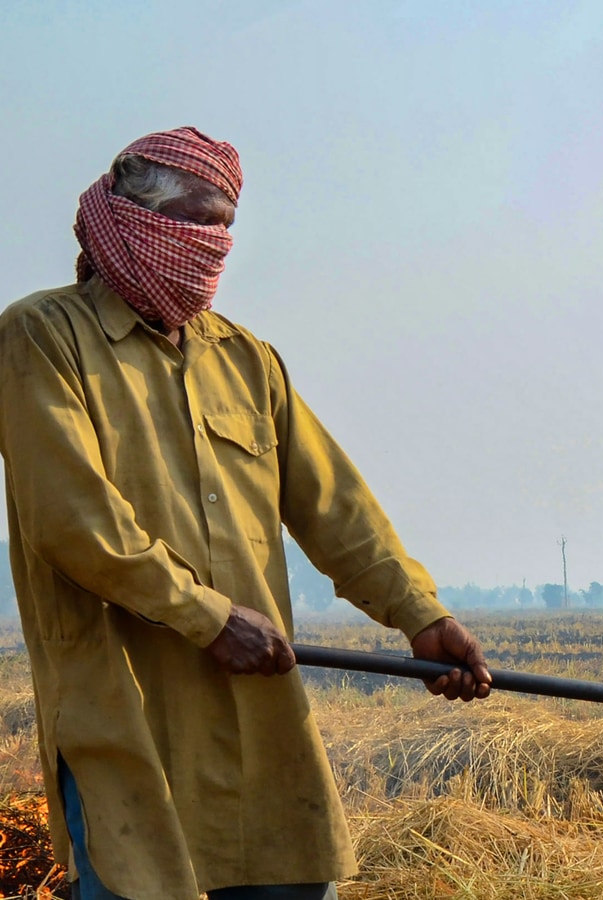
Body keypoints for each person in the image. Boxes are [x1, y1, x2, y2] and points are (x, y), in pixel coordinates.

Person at [0, 126, 493, 899]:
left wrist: (418, 614)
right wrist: (207, 617)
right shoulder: (43, 336)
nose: (214, 246)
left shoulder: (245, 358)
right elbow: (73, 521)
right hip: (130, 716)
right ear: (132, 224)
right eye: (198, 222)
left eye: (227, 226)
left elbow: (336, 508)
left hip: (262, 726)